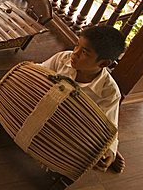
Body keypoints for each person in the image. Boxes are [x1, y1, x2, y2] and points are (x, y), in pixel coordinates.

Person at [41, 25, 126, 173]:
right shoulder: (63, 59)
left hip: (71, 124)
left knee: (91, 147)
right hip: (45, 104)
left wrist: (110, 149)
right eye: (76, 46)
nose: (74, 54)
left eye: (84, 52)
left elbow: (109, 124)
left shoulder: (109, 92)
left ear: (104, 63)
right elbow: (39, 72)